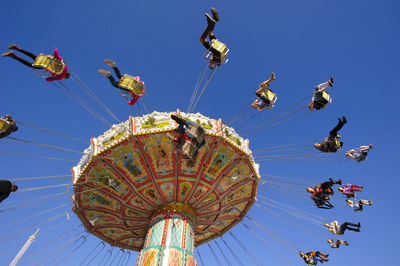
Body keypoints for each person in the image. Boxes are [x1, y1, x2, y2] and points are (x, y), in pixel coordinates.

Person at [2, 44, 69, 81]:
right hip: (43, 65)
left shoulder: (65, 66)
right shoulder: (60, 77)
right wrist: (49, 78)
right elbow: (49, 79)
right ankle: (14, 56)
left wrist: (55, 49)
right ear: (65, 76)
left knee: (33, 56)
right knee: (31, 65)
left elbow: (57, 56)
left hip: (45, 59)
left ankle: (17, 48)